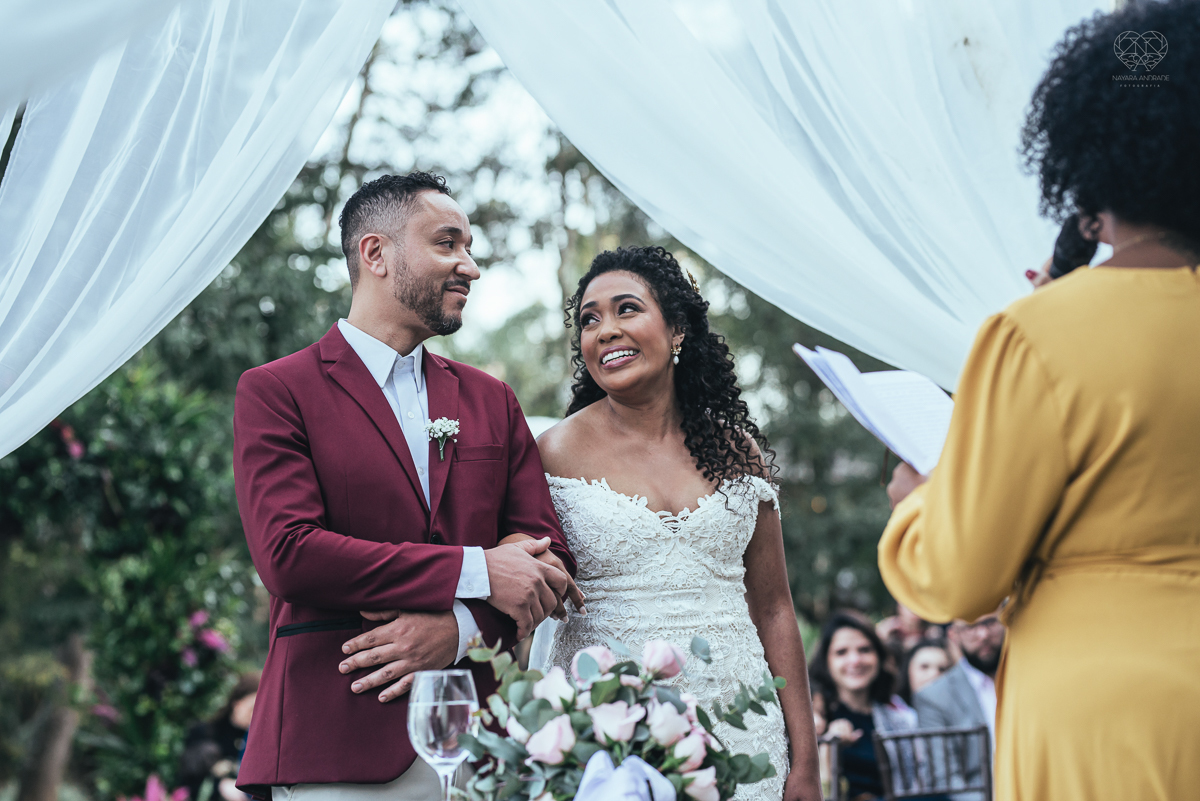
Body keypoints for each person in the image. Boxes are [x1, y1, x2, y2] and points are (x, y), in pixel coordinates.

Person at [878, 3, 1200, 799]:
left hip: (1102, 702)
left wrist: (919, 502)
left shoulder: (1036, 333)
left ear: (1091, 159)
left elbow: (958, 578)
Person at [232, 171, 579, 800]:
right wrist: (475, 573)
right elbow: (290, 555)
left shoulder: (491, 398)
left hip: (485, 744)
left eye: (470, 248)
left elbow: (546, 560)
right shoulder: (278, 391)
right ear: (376, 254)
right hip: (336, 740)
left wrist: (461, 630)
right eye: (448, 244)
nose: (469, 267)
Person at [531, 247, 821, 800]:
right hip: (608, 736)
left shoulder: (737, 452)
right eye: (589, 320)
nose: (605, 330)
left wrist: (804, 762)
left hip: (744, 729)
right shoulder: (549, 454)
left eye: (626, 310)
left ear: (678, 329)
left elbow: (775, 607)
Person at [808, 613, 911, 801]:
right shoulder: (815, 719)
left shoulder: (897, 719)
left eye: (864, 650)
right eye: (841, 652)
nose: (855, 660)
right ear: (826, 661)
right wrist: (829, 746)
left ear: (879, 656)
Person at [179, 672, 260, 801]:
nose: (255, 716)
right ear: (237, 703)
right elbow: (186, 783)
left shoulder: (256, 743)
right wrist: (219, 787)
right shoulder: (204, 733)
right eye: (252, 708)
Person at [894, 640, 950, 706]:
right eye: (924, 667)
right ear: (908, 670)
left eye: (942, 669)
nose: (934, 674)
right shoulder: (891, 710)